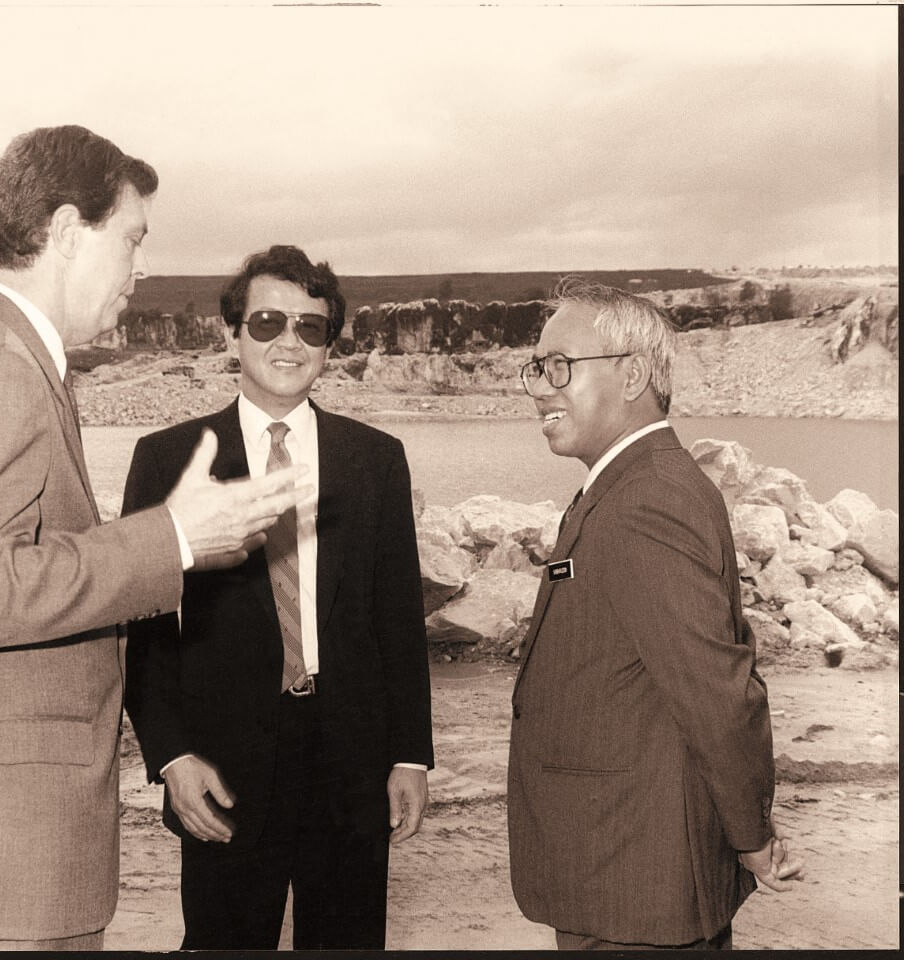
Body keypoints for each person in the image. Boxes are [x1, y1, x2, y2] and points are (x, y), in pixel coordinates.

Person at [0, 126, 310, 951]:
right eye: (132, 239)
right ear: (71, 233)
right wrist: (170, 540)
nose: (139, 269)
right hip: (10, 859)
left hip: (6, 848)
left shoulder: (0, 357)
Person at [123, 245, 434, 950]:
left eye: (310, 327)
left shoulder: (375, 459)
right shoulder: (171, 457)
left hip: (351, 765)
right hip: (222, 768)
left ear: (330, 345)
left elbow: (396, 620)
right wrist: (171, 756)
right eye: (267, 323)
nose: (289, 342)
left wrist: (410, 754)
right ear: (231, 333)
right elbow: (143, 629)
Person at [507, 276, 804, 950]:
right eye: (536, 368)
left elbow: (716, 697)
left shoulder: (648, 501)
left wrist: (751, 836)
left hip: (635, 882)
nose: (542, 387)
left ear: (634, 374)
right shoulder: (625, 484)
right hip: (617, 867)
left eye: (560, 367)